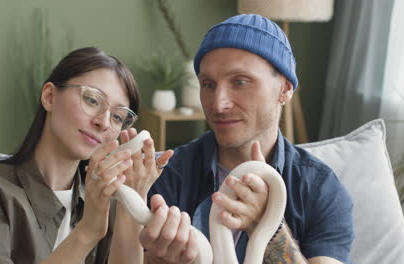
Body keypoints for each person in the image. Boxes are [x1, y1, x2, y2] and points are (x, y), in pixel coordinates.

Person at [141, 14, 354, 264]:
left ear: (284, 89)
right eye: (208, 84)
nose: (218, 104)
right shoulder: (169, 174)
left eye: (240, 82)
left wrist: (269, 226)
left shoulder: (320, 189)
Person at [0, 47, 172, 264]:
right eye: (92, 100)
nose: (103, 122)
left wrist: (130, 207)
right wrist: (88, 230)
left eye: (117, 117)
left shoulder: (106, 204)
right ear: (50, 97)